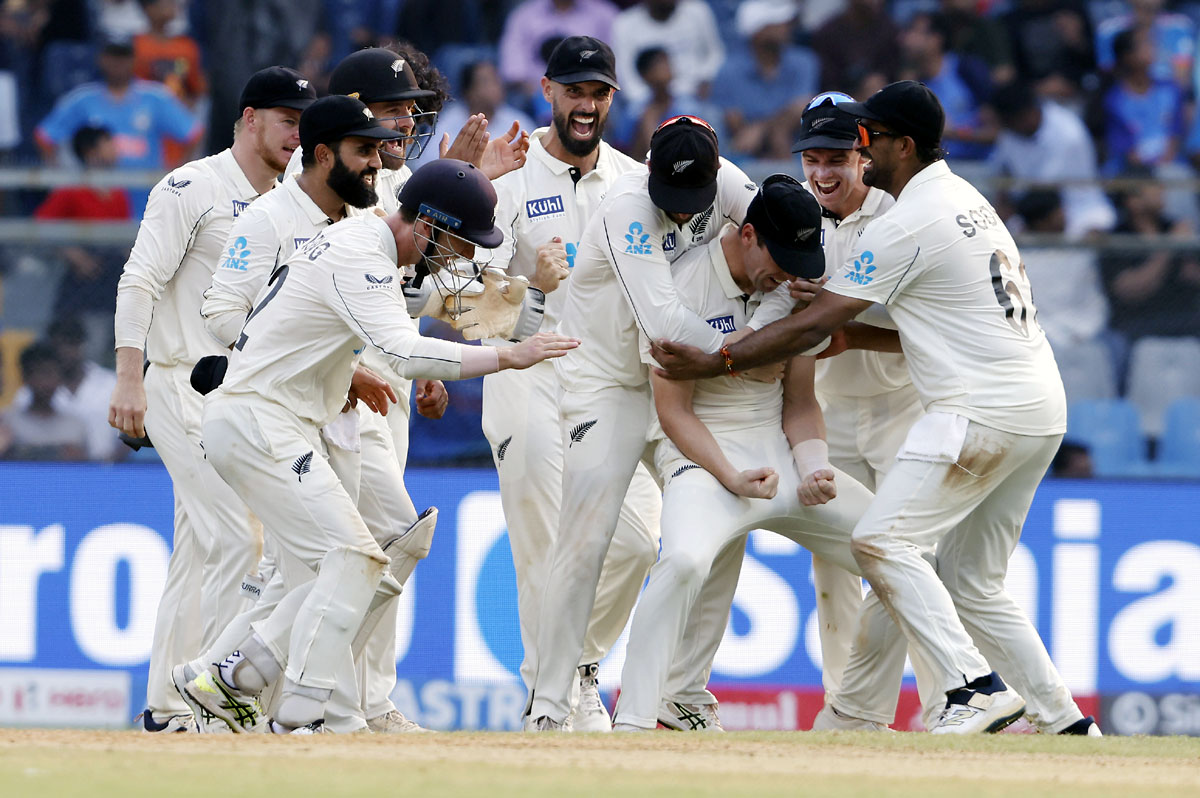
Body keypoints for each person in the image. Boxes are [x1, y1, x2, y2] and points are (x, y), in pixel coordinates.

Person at [650, 81, 1099, 736]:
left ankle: (968, 688)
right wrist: (845, 334)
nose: (857, 151)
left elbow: (812, 326)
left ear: (901, 146)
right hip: (1034, 402)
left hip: (965, 408)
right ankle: (1063, 723)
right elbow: (888, 323)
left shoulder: (906, 220)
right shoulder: (964, 197)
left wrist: (713, 362)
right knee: (969, 580)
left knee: (883, 541)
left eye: (869, 140)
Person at [177, 159, 577, 734]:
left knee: (336, 568)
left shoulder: (371, 248)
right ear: (429, 227)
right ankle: (300, 714)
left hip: (273, 423)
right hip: (259, 423)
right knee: (354, 559)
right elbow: (405, 352)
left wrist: (525, 299)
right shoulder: (360, 252)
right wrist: (509, 355)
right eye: (459, 243)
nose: (461, 258)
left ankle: (223, 679)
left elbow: (430, 318)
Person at [524, 115, 799, 731]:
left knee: (720, 524)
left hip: (684, 385)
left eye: (691, 204)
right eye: (670, 203)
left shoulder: (729, 183)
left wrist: (756, 334)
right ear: (647, 173)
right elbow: (667, 325)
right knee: (587, 537)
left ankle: (680, 697)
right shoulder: (629, 207)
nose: (679, 216)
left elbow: (786, 259)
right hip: (610, 382)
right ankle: (546, 704)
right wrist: (754, 350)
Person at [612, 177, 878, 732]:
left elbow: (800, 401)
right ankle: (634, 722)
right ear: (749, 234)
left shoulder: (793, 291)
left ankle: (861, 715)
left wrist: (813, 468)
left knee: (898, 552)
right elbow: (674, 413)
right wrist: (729, 476)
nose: (786, 275)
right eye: (779, 259)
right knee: (685, 560)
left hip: (779, 452)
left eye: (798, 262)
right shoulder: (678, 289)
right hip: (701, 454)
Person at [108, 66, 317, 734]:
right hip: (173, 380)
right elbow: (139, 279)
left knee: (198, 546)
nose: (297, 135)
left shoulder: (291, 203)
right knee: (235, 535)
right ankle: (212, 696)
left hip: (242, 397)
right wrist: (129, 377)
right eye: (287, 121)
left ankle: (167, 708)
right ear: (251, 117)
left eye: (304, 125)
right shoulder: (193, 186)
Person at [479, 36, 659, 732]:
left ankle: (574, 668)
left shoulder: (635, 182)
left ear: (612, 99)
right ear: (548, 91)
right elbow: (460, 299)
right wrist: (529, 285)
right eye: (574, 91)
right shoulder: (509, 181)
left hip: (612, 379)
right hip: (527, 368)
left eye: (598, 93)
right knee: (544, 545)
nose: (586, 105)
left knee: (639, 541)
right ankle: (548, 701)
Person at [34, 37, 201, 214]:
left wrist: (177, 175)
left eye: (123, 57)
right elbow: (45, 136)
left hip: (147, 202)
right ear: (102, 59)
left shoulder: (155, 98)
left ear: (133, 60)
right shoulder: (83, 99)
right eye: (112, 57)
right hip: (98, 203)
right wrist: (60, 178)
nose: (118, 63)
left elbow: (193, 133)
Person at [35, 126, 132, 363]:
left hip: (113, 278)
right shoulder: (71, 189)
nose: (114, 149)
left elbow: (123, 237)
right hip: (81, 281)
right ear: (91, 152)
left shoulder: (118, 192)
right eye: (107, 143)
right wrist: (74, 255)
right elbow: (40, 226)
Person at [710, 0, 818, 160]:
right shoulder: (728, 71)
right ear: (758, 31)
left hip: (798, 146)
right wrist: (779, 124)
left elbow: (802, 107)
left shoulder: (804, 61)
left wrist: (763, 128)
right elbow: (737, 127)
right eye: (776, 23)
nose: (786, 26)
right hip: (746, 155)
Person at [11, 318, 121, 462]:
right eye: (60, 344)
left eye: (71, 344)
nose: (65, 351)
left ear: (82, 345)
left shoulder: (111, 384)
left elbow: (133, 432)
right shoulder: (28, 393)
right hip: (48, 469)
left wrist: (113, 464)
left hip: (109, 471)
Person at [498, 0, 619, 103]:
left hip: (588, 90)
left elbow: (611, 66)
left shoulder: (604, 15)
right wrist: (544, 92)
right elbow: (513, 70)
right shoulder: (523, 16)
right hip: (534, 95)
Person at [610, 0, 725, 106]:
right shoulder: (625, 24)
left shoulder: (697, 11)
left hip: (698, 95)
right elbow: (628, 80)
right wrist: (655, 102)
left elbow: (715, 54)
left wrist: (706, 78)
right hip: (649, 103)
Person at [1, 341, 89, 462]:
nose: (46, 383)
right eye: (40, 374)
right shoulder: (7, 423)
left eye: (51, 374)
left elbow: (88, 469)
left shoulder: (75, 426)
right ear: (25, 377)